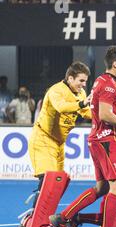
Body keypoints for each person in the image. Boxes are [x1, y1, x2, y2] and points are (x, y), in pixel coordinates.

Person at [50, 47, 116, 227]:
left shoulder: (102, 81)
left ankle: (63, 216)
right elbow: (104, 114)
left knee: (102, 187)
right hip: (104, 140)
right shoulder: (110, 85)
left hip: (98, 139)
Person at [28, 61, 92, 198]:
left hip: (59, 143)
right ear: (70, 78)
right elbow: (61, 107)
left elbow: (86, 112)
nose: (84, 84)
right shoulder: (55, 91)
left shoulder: (81, 93)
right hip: (43, 139)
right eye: (81, 80)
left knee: (58, 183)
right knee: (47, 180)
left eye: (85, 81)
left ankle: (45, 216)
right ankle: (34, 217)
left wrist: (106, 116)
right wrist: (81, 103)